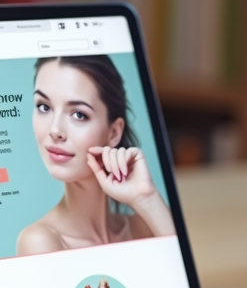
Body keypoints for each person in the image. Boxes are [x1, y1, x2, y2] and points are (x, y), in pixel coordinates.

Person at [16, 55, 174, 258]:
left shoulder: (143, 228)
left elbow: (186, 278)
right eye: (44, 107)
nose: (55, 130)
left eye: (79, 114)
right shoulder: (41, 242)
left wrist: (146, 199)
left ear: (114, 133)